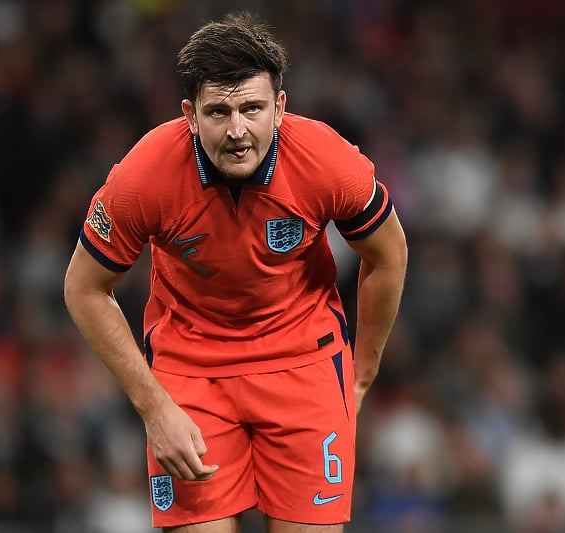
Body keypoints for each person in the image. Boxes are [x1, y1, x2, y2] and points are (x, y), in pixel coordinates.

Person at [63, 11, 407, 533]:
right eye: (219, 112)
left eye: (253, 108)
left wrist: (362, 372)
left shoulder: (326, 161)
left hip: (305, 363)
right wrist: (154, 407)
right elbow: (84, 289)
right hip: (191, 374)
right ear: (189, 114)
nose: (238, 130)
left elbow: (389, 254)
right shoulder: (144, 177)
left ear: (281, 106)